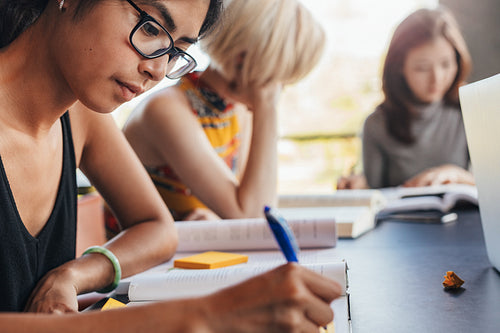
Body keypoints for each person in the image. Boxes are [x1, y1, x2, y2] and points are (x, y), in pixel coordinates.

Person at [0, 0, 341, 331]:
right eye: (150, 27)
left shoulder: (79, 116)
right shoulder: (149, 110)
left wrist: (73, 275)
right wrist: (202, 317)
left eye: (175, 51)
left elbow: (158, 227)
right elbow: (247, 211)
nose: (158, 70)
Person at [122, 0, 326, 221]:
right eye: (279, 80)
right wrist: (267, 107)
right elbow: (254, 216)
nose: (278, 91)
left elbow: (250, 203)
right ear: (245, 60)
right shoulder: (166, 110)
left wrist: (215, 218)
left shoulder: (236, 112)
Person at [338, 7, 474, 189]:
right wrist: (356, 188)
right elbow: (374, 193)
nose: (437, 78)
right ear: (399, 68)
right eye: (422, 68)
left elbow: (493, 184)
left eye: (446, 64)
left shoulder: (471, 112)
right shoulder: (377, 125)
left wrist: (458, 175)